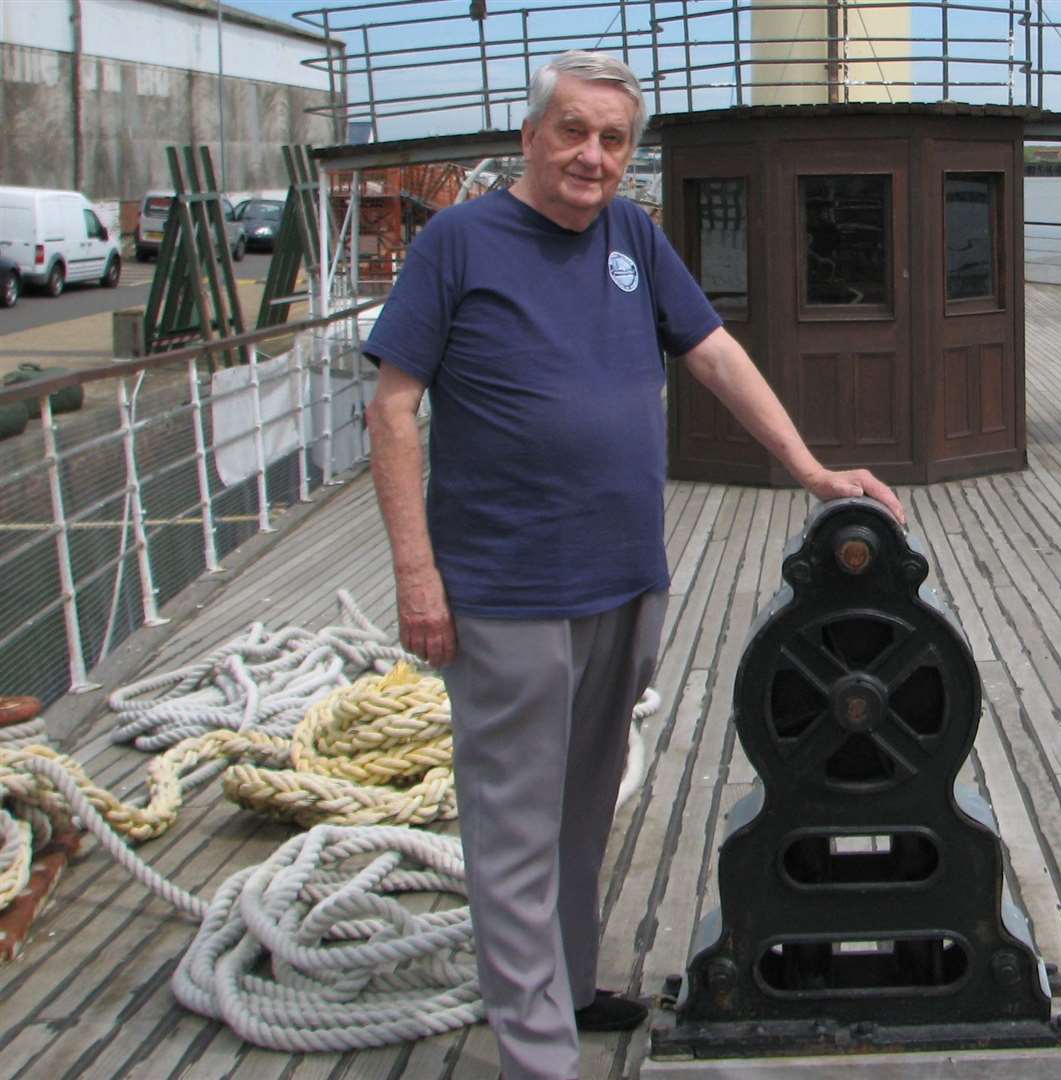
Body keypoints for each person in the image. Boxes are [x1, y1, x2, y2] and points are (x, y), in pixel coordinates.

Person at [363, 50, 903, 1080]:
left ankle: (565, 988)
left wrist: (805, 466)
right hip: (507, 589)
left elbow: (713, 352)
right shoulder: (458, 242)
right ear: (530, 137)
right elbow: (393, 408)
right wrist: (417, 578)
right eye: (572, 130)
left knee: (583, 802)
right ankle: (538, 1056)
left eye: (613, 139)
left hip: (623, 577)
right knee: (515, 822)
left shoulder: (632, 236)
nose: (592, 155)